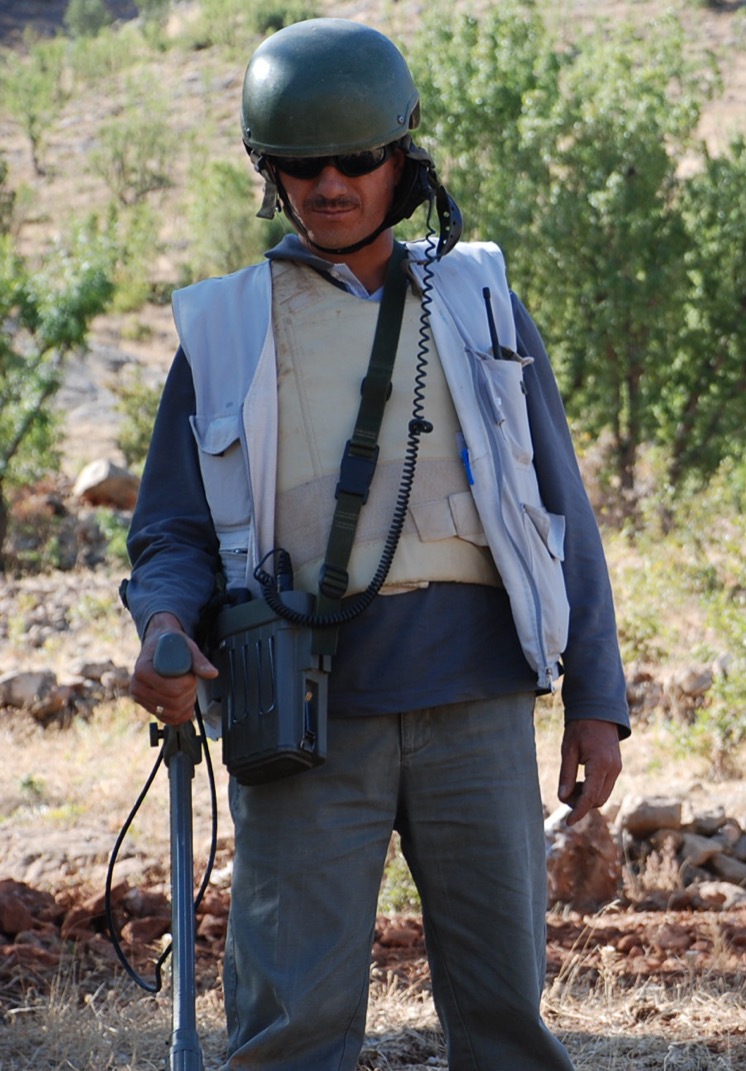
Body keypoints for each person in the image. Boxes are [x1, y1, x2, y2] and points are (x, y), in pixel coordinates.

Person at [124, 19, 628, 1069]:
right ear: (269, 173)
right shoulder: (225, 328)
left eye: (355, 158)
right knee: (291, 1024)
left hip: (477, 701)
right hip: (300, 711)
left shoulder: (480, 301)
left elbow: (559, 508)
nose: (329, 184)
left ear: (402, 161)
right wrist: (165, 624)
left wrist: (595, 696)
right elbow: (172, 525)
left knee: (505, 1017)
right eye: (300, 163)